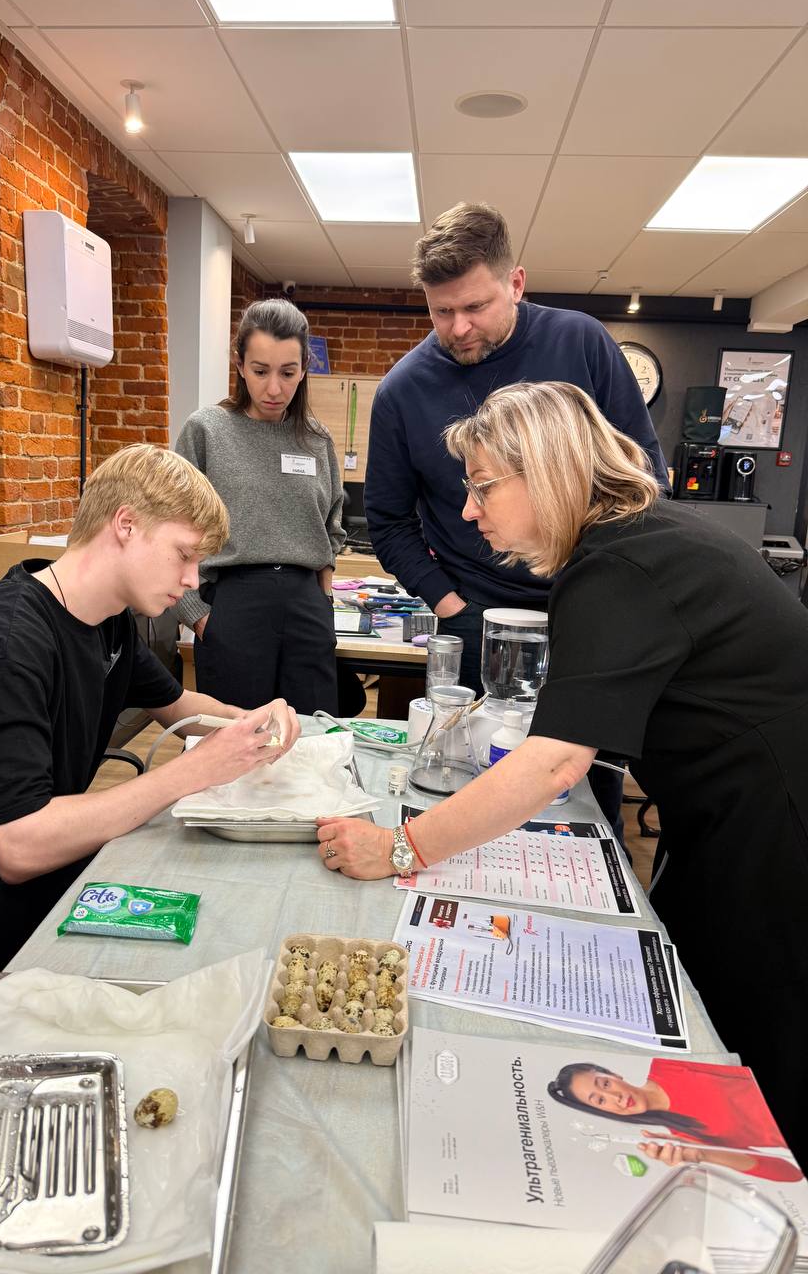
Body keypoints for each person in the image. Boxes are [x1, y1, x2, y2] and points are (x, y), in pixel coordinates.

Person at [317, 380, 808, 1165]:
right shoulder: (636, 539)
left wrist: (402, 847)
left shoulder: (618, 566)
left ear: (545, 470)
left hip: (775, 827)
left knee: (751, 1033)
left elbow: (553, 762)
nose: (469, 511)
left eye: (483, 487)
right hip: (727, 811)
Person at [0, 444, 301, 957]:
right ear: (126, 524)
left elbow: (179, 706)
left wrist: (252, 722)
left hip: (46, 873)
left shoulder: (105, 620)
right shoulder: (3, 644)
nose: (192, 581)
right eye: (184, 555)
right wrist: (195, 770)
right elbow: (19, 846)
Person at [364, 202, 667, 833]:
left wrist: (608, 600)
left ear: (517, 283)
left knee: (582, 806)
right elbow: (388, 523)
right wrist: (453, 607)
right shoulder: (402, 391)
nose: (459, 328)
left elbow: (642, 479)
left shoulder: (580, 343)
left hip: (589, 616)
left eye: (476, 306)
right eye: (441, 312)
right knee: (470, 799)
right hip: (479, 619)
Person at [172, 299, 345, 715]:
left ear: (304, 368)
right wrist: (196, 614)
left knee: (313, 736)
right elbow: (171, 527)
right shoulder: (206, 430)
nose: (274, 389)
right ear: (239, 364)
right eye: (260, 371)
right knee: (235, 737)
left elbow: (331, 527)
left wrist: (324, 604)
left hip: (306, 608)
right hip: (233, 606)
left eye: (287, 372)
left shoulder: (316, 439)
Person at [547, 1059, 803, 1183]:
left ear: (614, 1074)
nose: (616, 1097)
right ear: (604, 1112)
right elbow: (790, 1173)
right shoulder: (686, 1139)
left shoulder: (668, 1066)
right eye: (601, 1100)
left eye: (605, 1084)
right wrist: (702, 1155)